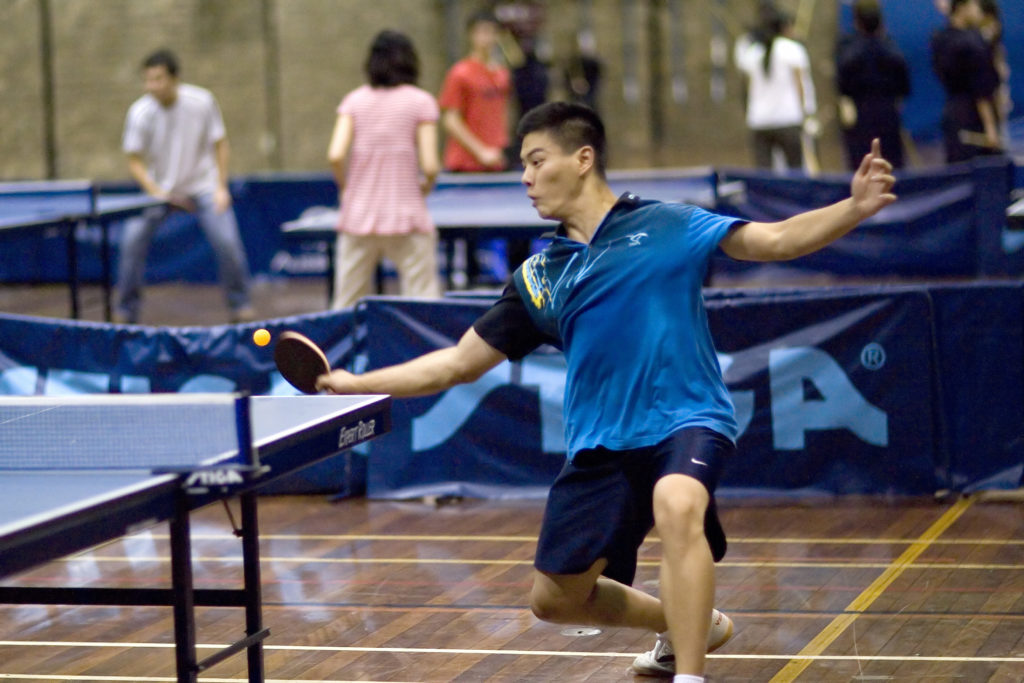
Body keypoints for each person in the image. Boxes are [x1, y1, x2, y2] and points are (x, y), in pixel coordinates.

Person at [316, 102, 897, 680]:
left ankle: (690, 675)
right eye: (523, 163)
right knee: (555, 598)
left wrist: (854, 207)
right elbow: (456, 365)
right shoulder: (541, 277)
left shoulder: (670, 225)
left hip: (686, 417)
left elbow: (775, 241)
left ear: (582, 159)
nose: (525, 176)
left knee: (678, 503)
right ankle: (685, 622)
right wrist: (355, 384)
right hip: (601, 444)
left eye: (536, 160)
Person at [116, 49, 254, 324]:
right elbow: (133, 160)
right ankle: (125, 311)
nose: (151, 86)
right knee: (131, 242)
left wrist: (220, 187)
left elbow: (220, 143)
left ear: (174, 78)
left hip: (203, 187)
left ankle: (241, 306)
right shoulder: (140, 112)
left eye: (158, 79)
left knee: (227, 242)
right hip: (160, 193)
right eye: (148, 80)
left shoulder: (201, 102)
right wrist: (155, 192)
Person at [326, 30, 442, 310]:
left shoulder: (354, 101)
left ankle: (338, 354)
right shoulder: (420, 101)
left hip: (358, 217)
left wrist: (346, 189)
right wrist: (425, 186)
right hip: (407, 215)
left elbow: (335, 154)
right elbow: (430, 165)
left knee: (346, 304)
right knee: (423, 300)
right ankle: (424, 354)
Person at [734, 4, 818, 172]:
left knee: (765, 174)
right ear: (784, 27)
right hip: (788, 119)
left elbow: (747, 87)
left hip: (760, 121)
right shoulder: (793, 49)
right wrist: (805, 114)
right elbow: (800, 86)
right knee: (795, 170)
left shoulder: (753, 53)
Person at [835, 0, 912, 170]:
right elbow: (904, 86)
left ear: (856, 22)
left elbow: (841, 84)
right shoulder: (891, 49)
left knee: (862, 167)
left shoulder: (847, 50)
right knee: (891, 167)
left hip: (860, 118)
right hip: (888, 114)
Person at [439, 11, 511, 172]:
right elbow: (450, 119)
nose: (487, 38)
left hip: (495, 161)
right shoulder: (460, 72)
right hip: (465, 164)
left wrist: (501, 147)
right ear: (471, 35)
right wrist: (481, 151)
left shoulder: (502, 73)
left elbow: (501, 115)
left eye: (492, 32)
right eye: (482, 32)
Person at [930, 0, 1001, 162]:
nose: (978, 10)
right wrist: (990, 127)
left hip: (952, 115)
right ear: (962, 8)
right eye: (974, 5)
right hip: (973, 118)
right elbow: (981, 91)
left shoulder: (939, 39)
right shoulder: (973, 43)